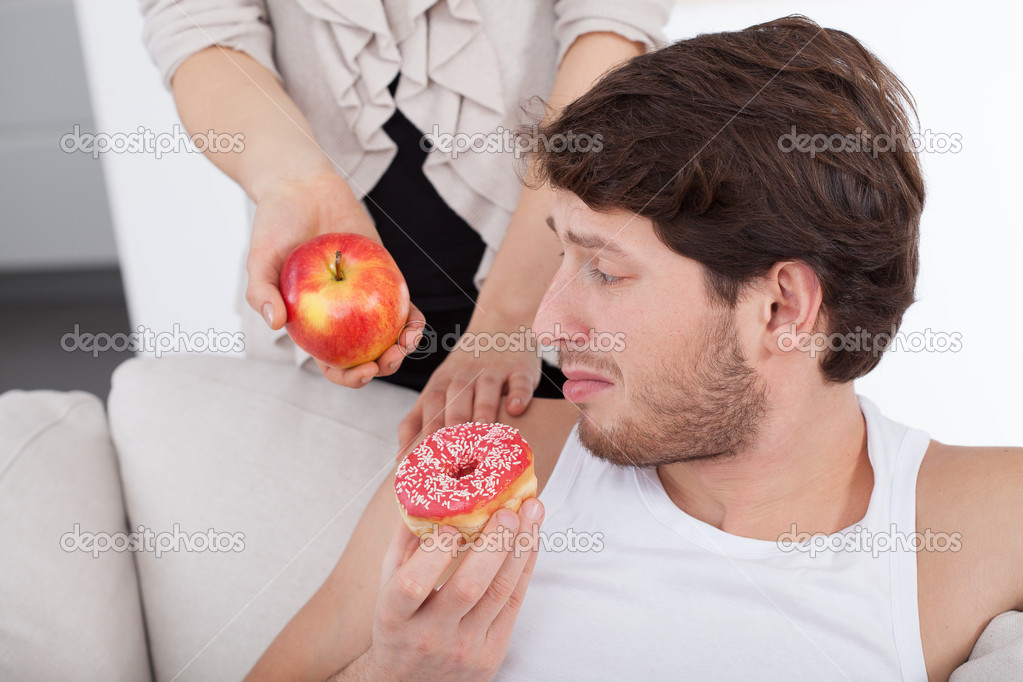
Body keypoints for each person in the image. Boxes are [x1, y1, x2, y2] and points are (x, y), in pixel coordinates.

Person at [243, 16, 1023, 680]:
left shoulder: (982, 520)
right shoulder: (484, 475)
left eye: (605, 272)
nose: (545, 327)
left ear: (782, 306)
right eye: (560, 257)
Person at [139, 0, 675, 449]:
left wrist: (509, 312)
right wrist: (295, 183)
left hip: (558, 301)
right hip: (323, 341)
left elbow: (611, 26)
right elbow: (199, 25)